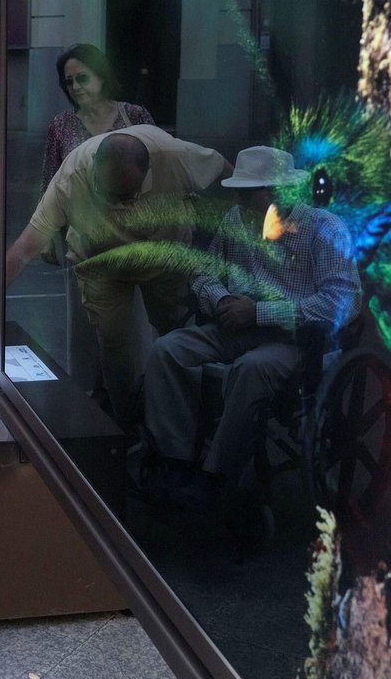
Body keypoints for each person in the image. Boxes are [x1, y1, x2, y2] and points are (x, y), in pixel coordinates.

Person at [140, 146, 361, 529]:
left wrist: (259, 311)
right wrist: (222, 298)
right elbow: (204, 273)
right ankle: (175, 461)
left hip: (296, 342)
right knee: (168, 350)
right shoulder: (237, 219)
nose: (240, 201)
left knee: (251, 369)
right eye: (239, 193)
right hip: (236, 326)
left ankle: (215, 476)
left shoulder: (325, 229)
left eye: (248, 193)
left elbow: (339, 304)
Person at [5, 126, 228, 413]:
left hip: (162, 256)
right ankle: (125, 417)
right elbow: (23, 250)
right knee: (112, 343)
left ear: (148, 171)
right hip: (102, 263)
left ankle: (179, 412)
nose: (120, 206)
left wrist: (257, 212)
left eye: (128, 197)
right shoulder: (72, 176)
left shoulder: (175, 156)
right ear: (95, 169)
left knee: (175, 333)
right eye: (110, 195)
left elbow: (224, 168)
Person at [42, 44, 155, 189]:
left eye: (82, 78)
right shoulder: (60, 124)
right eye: (69, 81)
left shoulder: (135, 115)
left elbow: (160, 165)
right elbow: (49, 184)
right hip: (80, 210)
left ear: (101, 77)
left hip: (134, 209)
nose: (75, 87)